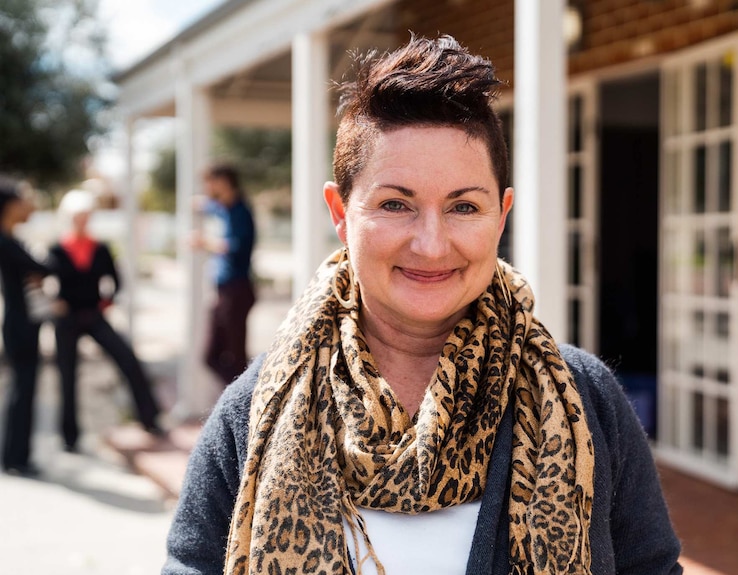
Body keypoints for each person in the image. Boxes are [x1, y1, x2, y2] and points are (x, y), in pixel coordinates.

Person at [164, 36, 682, 575]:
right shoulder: (254, 413)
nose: (431, 244)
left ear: (501, 216)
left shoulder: (585, 398)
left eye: (463, 206)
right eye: (395, 204)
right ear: (340, 213)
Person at [48, 189, 162, 452]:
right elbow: (46, 279)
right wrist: (55, 302)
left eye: (86, 215)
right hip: (66, 321)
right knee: (67, 376)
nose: (82, 220)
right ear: (69, 217)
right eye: (78, 215)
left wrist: (106, 302)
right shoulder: (57, 248)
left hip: (94, 316)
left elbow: (115, 279)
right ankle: (69, 437)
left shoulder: (100, 247)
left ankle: (149, 418)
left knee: (128, 359)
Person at [0, 176, 58, 476]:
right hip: (19, 325)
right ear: (9, 205)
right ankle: (15, 459)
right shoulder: (7, 242)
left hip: (22, 323)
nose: (27, 204)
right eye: (22, 199)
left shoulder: (14, 240)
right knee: (22, 390)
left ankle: (15, 456)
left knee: (23, 389)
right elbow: (43, 268)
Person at [191, 163, 257, 385]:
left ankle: (245, 403)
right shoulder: (223, 208)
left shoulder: (241, 212)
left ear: (224, 182)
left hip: (237, 290)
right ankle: (238, 398)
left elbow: (236, 246)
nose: (207, 187)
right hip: (223, 291)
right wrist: (202, 204)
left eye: (211, 182)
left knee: (236, 359)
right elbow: (209, 206)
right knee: (211, 357)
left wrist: (204, 242)